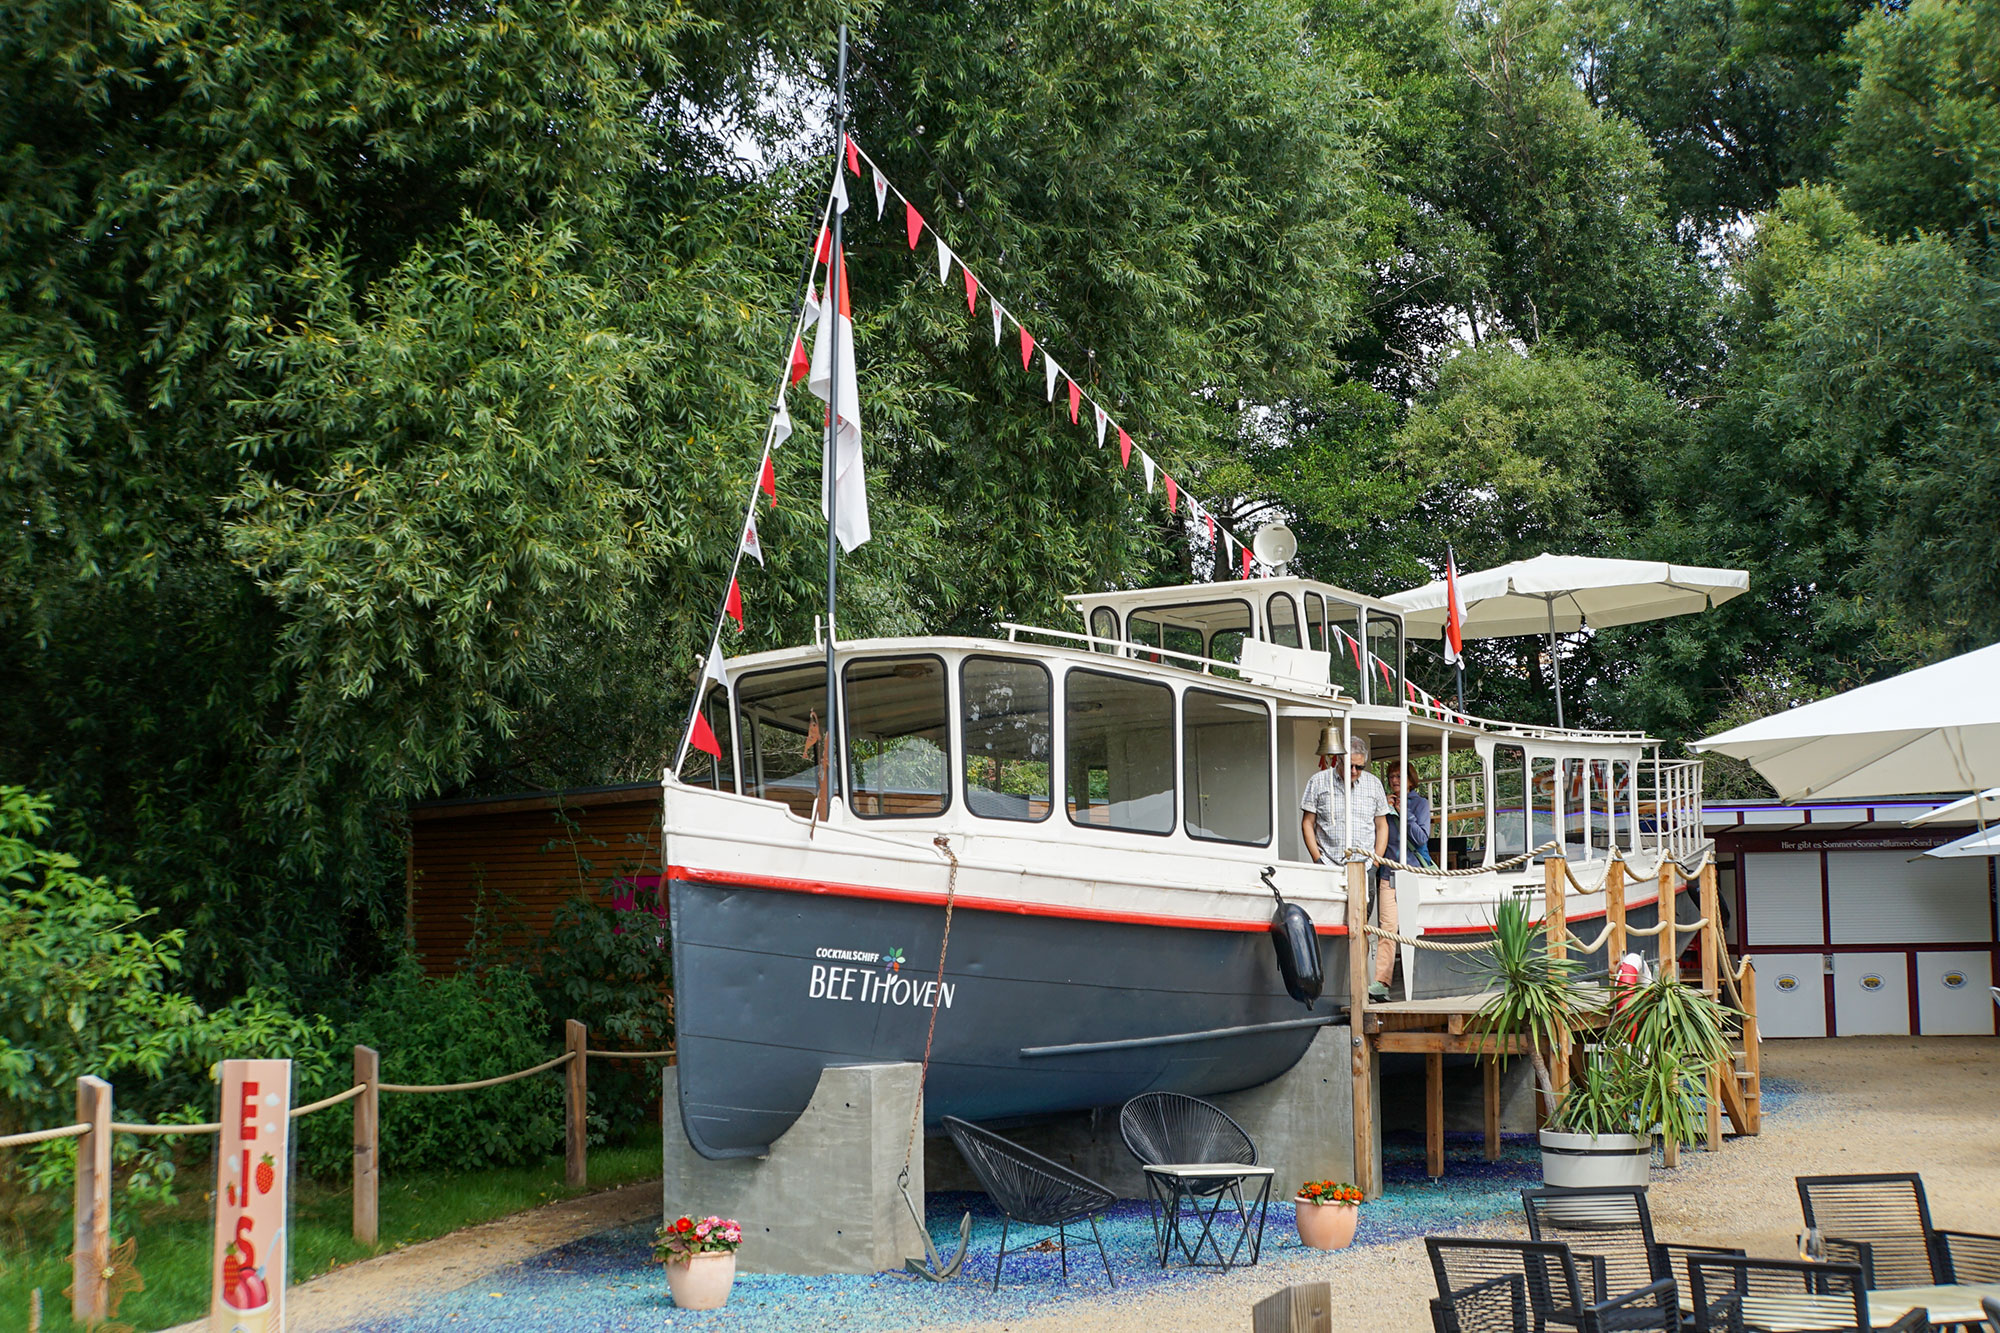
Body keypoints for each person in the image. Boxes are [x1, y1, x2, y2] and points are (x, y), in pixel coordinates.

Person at [1300, 729, 1394, 999]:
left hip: (1364, 867)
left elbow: (1382, 825)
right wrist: (1318, 859)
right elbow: (1307, 823)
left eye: (1359, 767)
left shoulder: (1373, 784)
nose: (1354, 772)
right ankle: (1329, 988)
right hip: (1329, 866)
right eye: (1350, 765)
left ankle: (1358, 989)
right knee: (1328, 927)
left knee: (1361, 929)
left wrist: (1375, 861)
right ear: (1338, 760)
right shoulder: (1318, 782)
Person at [1386, 763, 1433, 869]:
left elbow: (1421, 838)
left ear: (1411, 780)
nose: (1394, 780)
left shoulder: (1420, 803)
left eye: (1399, 776)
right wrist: (1382, 807)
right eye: (1391, 777)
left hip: (1414, 866)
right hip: (1388, 868)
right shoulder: (1386, 804)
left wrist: (1405, 813)